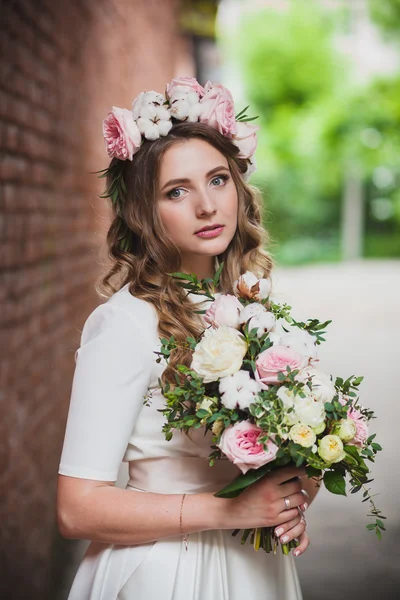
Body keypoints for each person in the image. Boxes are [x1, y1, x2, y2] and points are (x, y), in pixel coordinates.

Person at [57, 77, 319, 600]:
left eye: (218, 180)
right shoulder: (126, 323)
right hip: (168, 572)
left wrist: (291, 493)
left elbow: (268, 455)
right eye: (177, 191)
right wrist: (231, 510)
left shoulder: (246, 308)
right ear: (144, 212)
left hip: (252, 564)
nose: (206, 205)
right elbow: (76, 507)